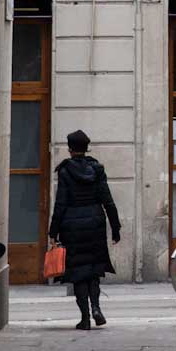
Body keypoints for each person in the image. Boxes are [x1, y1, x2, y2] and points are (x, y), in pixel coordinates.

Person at [48, 129, 121, 330]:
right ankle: (97, 308)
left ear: (70, 149)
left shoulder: (64, 172)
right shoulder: (97, 170)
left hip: (71, 226)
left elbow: (60, 205)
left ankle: (85, 318)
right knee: (93, 270)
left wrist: (53, 232)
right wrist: (115, 228)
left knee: (78, 273)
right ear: (86, 148)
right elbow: (108, 200)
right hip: (95, 224)